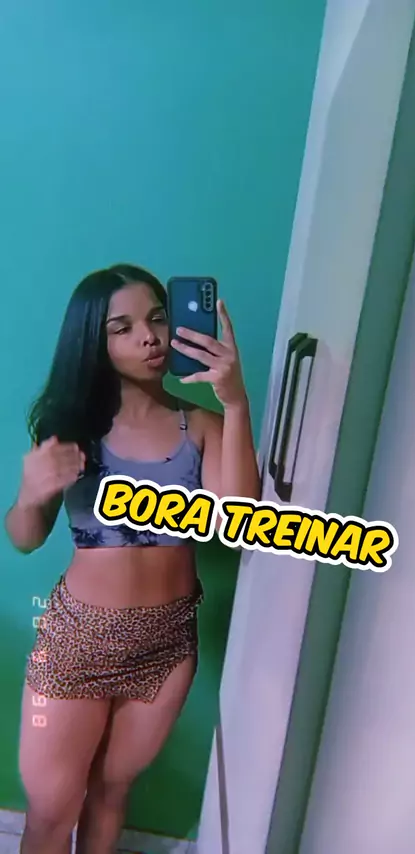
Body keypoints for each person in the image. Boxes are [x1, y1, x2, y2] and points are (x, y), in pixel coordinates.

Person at [5, 263, 260, 854]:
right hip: (77, 641)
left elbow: (241, 522)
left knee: (112, 792)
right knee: (51, 810)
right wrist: (30, 495)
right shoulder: (69, 428)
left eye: (157, 318)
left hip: (167, 644)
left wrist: (236, 402)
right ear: (93, 343)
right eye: (122, 328)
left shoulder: (203, 425)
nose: (149, 337)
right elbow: (24, 537)